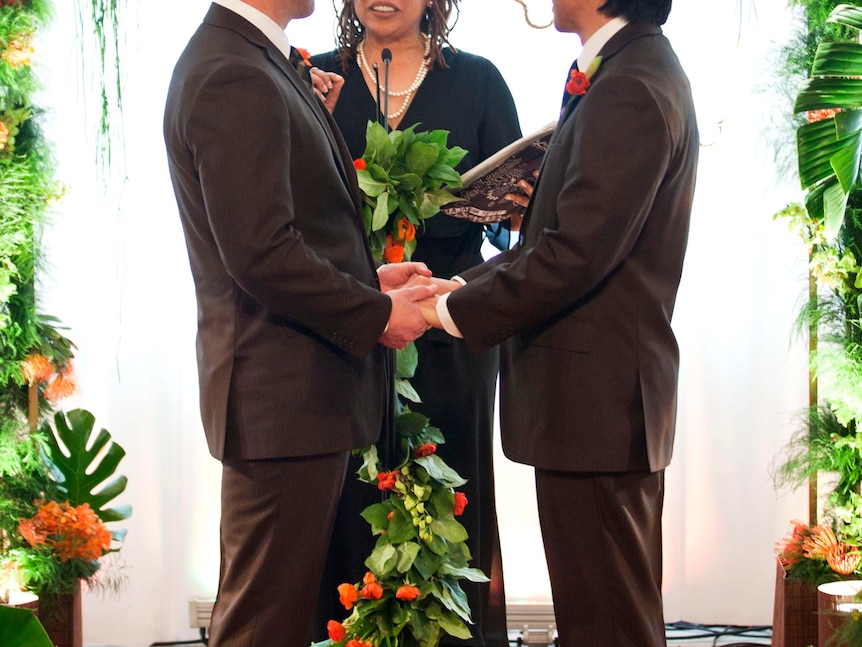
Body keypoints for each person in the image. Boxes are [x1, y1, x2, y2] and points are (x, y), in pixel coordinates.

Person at [423, 0, 699, 644]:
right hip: (598, 408)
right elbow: (555, 239)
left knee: (607, 622)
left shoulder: (630, 86)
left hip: (599, 406)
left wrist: (444, 311)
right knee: (603, 615)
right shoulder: (626, 69)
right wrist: (456, 285)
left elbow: (574, 255)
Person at [162, 1, 437, 645]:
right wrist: (374, 315)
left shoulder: (254, 57)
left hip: (293, 389)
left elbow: (294, 230)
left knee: (274, 615)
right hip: (280, 392)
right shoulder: (233, 69)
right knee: (263, 623)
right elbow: (261, 253)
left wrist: (368, 283)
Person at [309, 2, 522, 645]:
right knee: (346, 506)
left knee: (449, 514)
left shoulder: (480, 81)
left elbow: (518, 218)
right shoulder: (313, 80)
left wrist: (520, 205)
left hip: (447, 329)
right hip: (345, 327)